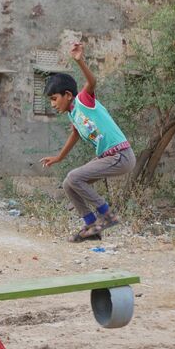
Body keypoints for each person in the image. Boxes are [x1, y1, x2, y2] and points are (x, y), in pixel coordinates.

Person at [40, 42, 136, 242]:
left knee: (74, 177)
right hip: (108, 157)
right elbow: (74, 135)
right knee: (69, 183)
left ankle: (107, 215)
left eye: (54, 98)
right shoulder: (73, 115)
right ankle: (92, 225)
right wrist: (58, 157)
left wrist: (79, 60)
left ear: (67, 95)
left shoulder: (83, 101)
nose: (52, 104)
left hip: (120, 155)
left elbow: (92, 82)